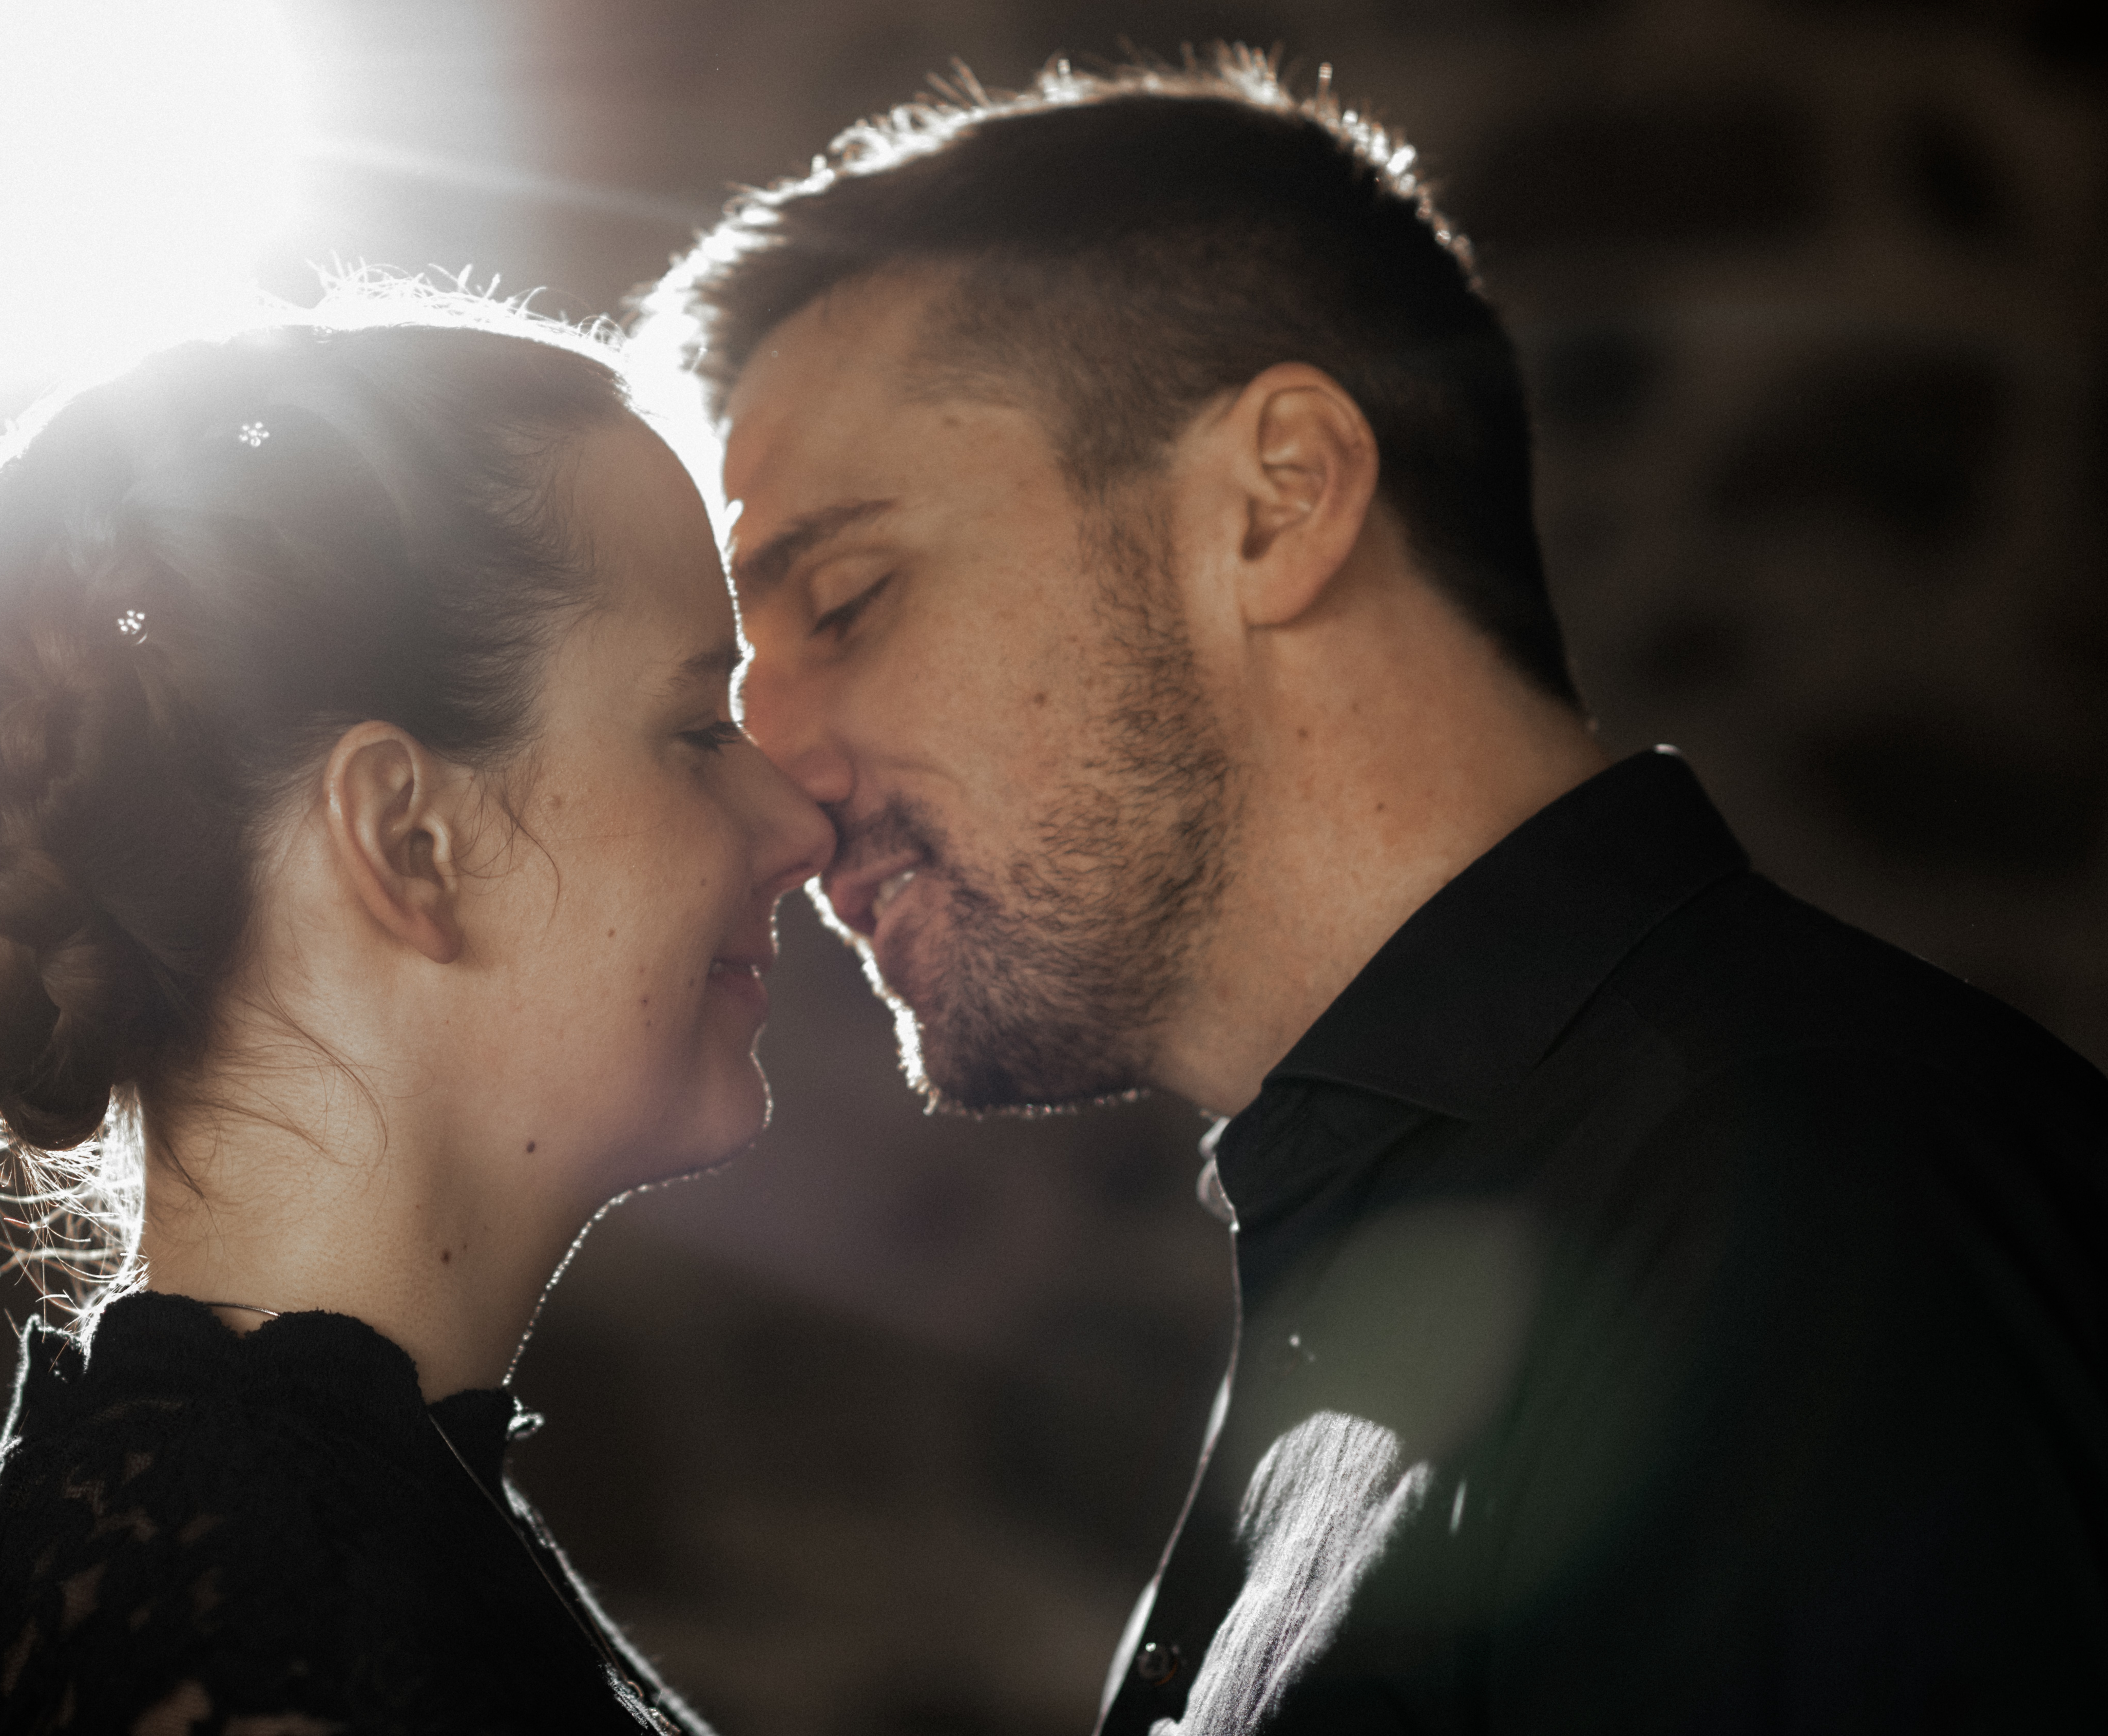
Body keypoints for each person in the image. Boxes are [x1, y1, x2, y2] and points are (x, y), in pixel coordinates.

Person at [637, 47, 2108, 1733]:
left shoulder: (1829, 1204)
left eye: (845, 598)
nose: (781, 779)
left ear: (1278, 502)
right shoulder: (1415, 1251)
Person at [0, 290, 829, 1733]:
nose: (799, 823)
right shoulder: (274, 1622)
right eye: (700, 732)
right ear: (405, 841)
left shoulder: (298, 1529)